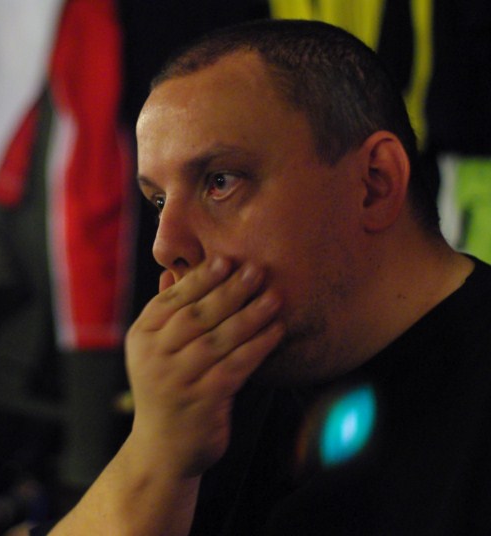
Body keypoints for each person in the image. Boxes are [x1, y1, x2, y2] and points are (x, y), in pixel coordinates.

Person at [39, 18, 491, 535]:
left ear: (374, 183)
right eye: (158, 201)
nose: (164, 246)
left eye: (219, 182)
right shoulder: (205, 403)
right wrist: (152, 461)